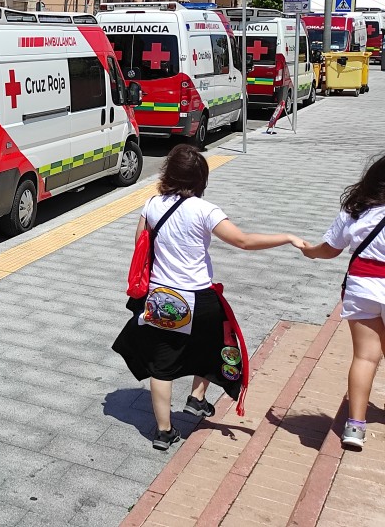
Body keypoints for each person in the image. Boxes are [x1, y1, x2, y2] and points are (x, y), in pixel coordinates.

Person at [113, 145, 309, 450]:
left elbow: (140, 242)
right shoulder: (205, 210)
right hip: (199, 298)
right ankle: (197, 397)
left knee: (161, 365)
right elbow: (242, 241)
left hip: (162, 299)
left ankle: (164, 432)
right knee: (218, 342)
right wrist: (287, 238)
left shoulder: (152, 205)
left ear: (168, 173)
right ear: (201, 178)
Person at [300, 153, 385, 451]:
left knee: (365, 357)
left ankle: (355, 427)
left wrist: (308, 251)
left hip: (361, 286)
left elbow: (329, 249)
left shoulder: (358, 210)